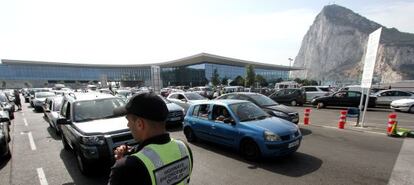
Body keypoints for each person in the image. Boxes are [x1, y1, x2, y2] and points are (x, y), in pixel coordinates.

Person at [108, 92, 193, 185]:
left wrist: (121, 163)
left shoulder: (125, 168)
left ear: (140, 124)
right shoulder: (184, 148)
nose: (128, 125)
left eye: (128, 121)